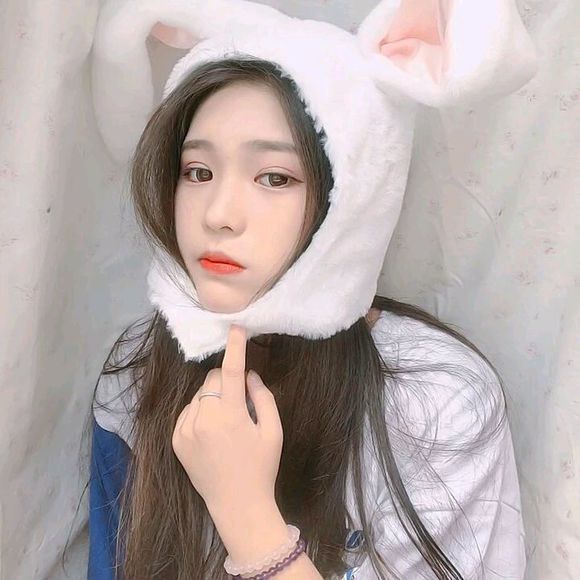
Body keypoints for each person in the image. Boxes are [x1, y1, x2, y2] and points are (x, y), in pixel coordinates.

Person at [86, 1, 538, 578]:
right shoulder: (137, 374)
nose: (218, 214)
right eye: (197, 171)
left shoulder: (434, 400)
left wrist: (249, 520)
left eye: (274, 177)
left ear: (353, 198)